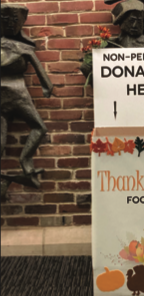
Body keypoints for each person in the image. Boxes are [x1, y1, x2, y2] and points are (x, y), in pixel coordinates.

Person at [1, 4, 53, 192]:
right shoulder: (23, 48)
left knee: (35, 129)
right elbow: (46, 81)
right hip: (12, 94)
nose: (10, 24)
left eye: (15, 20)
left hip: (13, 93)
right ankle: (22, 165)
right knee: (37, 128)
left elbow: (44, 78)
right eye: (5, 20)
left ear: (21, 23)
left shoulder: (25, 48)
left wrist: (47, 86)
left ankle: (22, 164)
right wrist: (47, 87)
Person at [80, 0, 144, 80]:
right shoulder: (109, 45)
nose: (134, 25)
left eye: (139, 21)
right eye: (131, 20)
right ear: (121, 21)